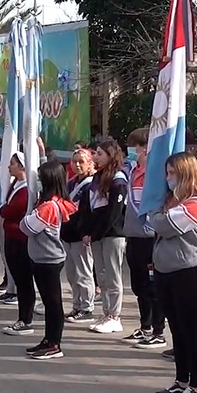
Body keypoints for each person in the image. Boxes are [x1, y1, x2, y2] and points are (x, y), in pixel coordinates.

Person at [149, 152, 197, 393]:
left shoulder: (196, 203)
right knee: (176, 328)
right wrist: (157, 215)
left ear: (185, 174)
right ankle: (181, 380)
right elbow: (156, 223)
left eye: (172, 173)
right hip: (167, 271)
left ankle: (196, 386)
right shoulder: (173, 202)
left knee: (192, 330)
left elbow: (163, 226)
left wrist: (156, 215)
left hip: (188, 272)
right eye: (167, 173)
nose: (168, 178)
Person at [20, 160, 77, 360]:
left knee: (53, 304)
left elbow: (27, 227)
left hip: (49, 259)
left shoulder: (50, 206)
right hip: (41, 257)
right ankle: (48, 339)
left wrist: (29, 216)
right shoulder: (47, 203)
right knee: (48, 301)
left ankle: (54, 343)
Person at [81, 140, 128, 335]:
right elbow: (90, 206)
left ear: (110, 155)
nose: (95, 157)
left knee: (112, 275)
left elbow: (113, 213)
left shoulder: (118, 180)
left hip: (112, 235)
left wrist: (97, 233)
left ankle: (114, 316)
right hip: (97, 235)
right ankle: (106, 312)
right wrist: (88, 231)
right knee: (101, 275)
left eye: (99, 153)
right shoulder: (98, 178)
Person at [122, 128, 164, 348]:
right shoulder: (132, 171)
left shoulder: (154, 175)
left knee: (152, 286)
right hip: (133, 235)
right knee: (138, 285)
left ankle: (158, 330)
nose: (130, 150)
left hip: (149, 236)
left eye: (134, 146)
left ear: (145, 148)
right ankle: (145, 326)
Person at [0, 153, 33, 335]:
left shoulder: (27, 188)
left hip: (21, 238)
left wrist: (3, 210)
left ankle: (26, 319)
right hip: (11, 236)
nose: (9, 167)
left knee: (24, 280)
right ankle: (22, 318)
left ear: (22, 167)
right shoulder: (15, 184)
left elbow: (12, 209)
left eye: (12, 164)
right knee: (19, 280)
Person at [61, 148, 96, 323]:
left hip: (80, 234)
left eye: (81, 161)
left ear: (90, 163)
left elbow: (87, 212)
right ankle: (76, 305)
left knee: (84, 272)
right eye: (74, 161)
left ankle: (87, 307)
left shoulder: (91, 184)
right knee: (72, 273)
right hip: (68, 233)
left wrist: (86, 231)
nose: (77, 165)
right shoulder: (71, 183)